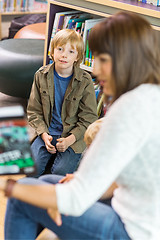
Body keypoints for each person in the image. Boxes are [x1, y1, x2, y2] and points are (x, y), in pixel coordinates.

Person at [0, 11, 160, 239]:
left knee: (22, 198)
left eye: (103, 60)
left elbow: (75, 200)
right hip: (140, 211)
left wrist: (9, 187)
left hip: (131, 230)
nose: (95, 69)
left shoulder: (128, 109)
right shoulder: (150, 95)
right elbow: (141, 171)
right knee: (45, 181)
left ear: (127, 60)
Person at [27, 29, 98, 177]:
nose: (64, 55)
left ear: (77, 56)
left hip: (72, 137)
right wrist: (44, 134)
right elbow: (34, 111)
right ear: (52, 51)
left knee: (60, 173)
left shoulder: (85, 82)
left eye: (71, 51)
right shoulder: (41, 76)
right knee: (31, 170)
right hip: (46, 132)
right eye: (60, 49)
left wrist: (70, 139)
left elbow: (89, 118)